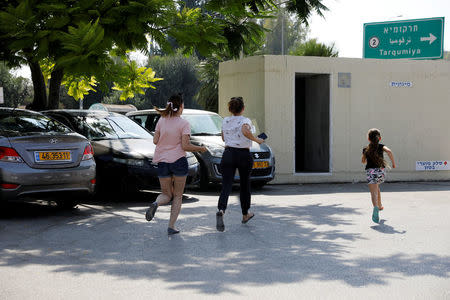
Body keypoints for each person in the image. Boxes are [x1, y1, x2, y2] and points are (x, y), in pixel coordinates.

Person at [145, 94, 207, 235]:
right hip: (178, 161)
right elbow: (185, 146)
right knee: (178, 195)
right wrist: (200, 148)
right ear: (180, 107)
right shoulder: (184, 123)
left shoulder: (161, 120)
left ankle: (156, 203)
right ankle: (171, 226)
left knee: (166, 194)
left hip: (162, 161)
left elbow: (155, 141)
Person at [216, 96, 264, 232]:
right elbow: (245, 130)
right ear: (243, 108)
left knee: (226, 184)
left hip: (228, 153)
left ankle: (221, 210)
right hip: (243, 154)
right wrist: (256, 140)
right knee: (244, 184)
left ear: (230, 109)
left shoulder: (225, 120)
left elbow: (224, 137)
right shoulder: (245, 120)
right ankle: (245, 214)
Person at [361, 128, 396, 223]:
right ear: (379, 138)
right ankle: (380, 206)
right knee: (377, 187)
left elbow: (363, 161)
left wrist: (366, 156)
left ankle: (375, 207)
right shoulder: (381, 147)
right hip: (381, 172)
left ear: (368, 139)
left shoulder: (366, 149)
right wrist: (393, 163)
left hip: (370, 172)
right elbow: (389, 151)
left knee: (373, 192)